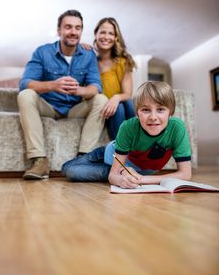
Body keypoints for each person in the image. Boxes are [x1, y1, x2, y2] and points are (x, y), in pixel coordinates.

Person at [18, 10, 108, 180]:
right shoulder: (42, 52)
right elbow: (25, 82)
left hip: (74, 108)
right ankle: (39, 161)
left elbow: (96, 86)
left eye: (78, 28)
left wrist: (80, 90)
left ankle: (83, 158)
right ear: (59, 30)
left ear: (81, 31)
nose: (73, 32)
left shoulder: (88, 54)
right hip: (49, 107)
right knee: (25, 95)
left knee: (101, 99)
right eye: (68, 27)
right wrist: (53, 85)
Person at [61, 81, 192, 187]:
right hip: (110, 154)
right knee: (68, 169)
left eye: (160, 110)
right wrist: (122, 174)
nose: (153, 117)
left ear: (170, 112)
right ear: (137, 112)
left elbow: (186, 174)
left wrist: (140, 179)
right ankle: (123, 171)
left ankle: (124, 172)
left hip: (138, 171)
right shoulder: (128, 127)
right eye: (146, 110)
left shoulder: (177, 128)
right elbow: (113, 176)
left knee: (75, 172)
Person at [93, 17, 137, 140]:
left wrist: (116, 97)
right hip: (101, 108)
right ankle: (120, 153)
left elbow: (128, 94)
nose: (106, 37)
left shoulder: (122, 62)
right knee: (118, 108)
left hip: (120, 107)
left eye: (111, 33)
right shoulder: (89, 61)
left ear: (116, 38)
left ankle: (139, 144)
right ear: (96, 34)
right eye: (102, 32)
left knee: (127, 103)